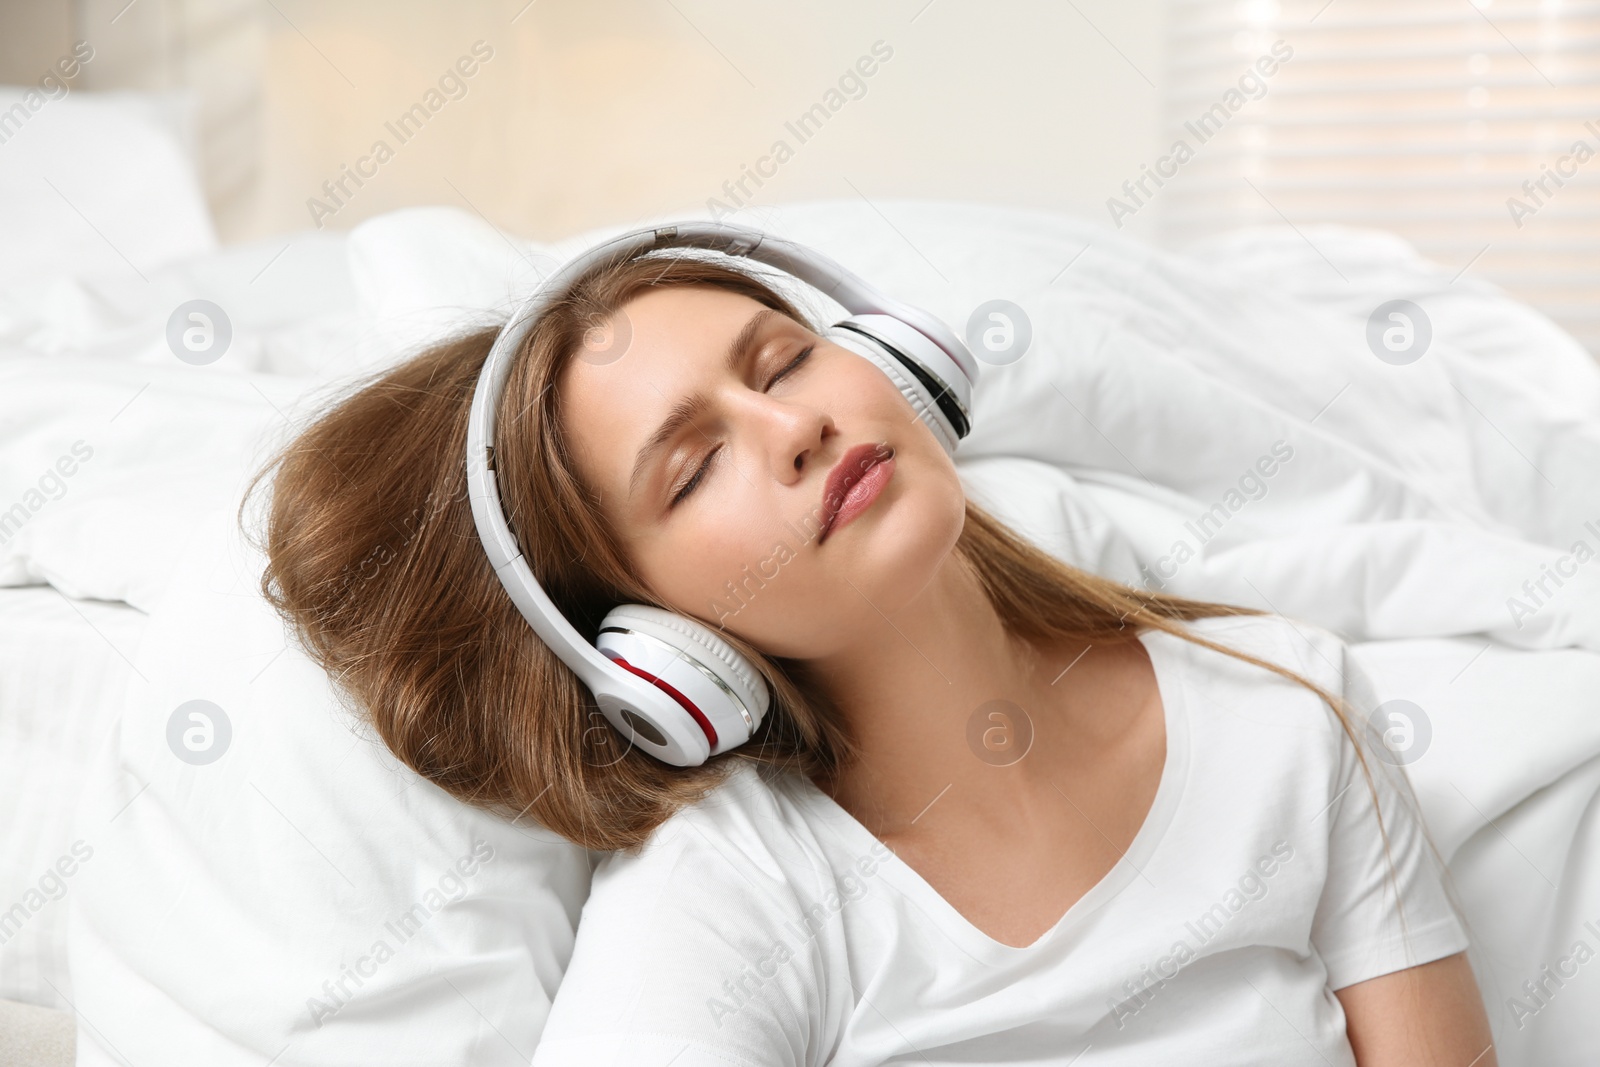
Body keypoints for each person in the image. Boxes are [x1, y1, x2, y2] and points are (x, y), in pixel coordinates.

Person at [247, 249, 1498, 1065]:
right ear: (651, 646)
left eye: (783, 359)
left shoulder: (1287, 701)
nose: (795, 424)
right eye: (693, 467)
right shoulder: (736, 900)